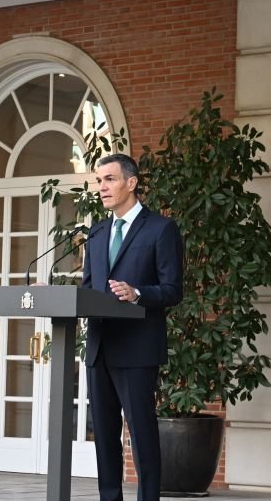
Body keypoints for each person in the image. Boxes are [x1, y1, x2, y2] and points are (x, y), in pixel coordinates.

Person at [82, 153, 184, 501]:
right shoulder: (96, 232)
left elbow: (173, 290)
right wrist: (51, 295)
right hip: (98, 349)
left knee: (141, 433)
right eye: (98, 181)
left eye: (109, 179)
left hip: (138, 349)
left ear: (131, 182)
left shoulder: (161, 229)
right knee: (105, 436)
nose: (102, 188)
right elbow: (87, 290)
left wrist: (138, 293)